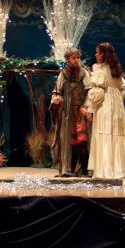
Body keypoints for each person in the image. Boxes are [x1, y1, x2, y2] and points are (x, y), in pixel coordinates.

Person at [87, 42, 125, 179]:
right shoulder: (116, 69)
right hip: (117, 105)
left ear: (102, 54)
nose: (95, 55)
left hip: (105, 104)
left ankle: (106, 171)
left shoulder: (99, 68)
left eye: (97, 52)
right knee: (117, 134)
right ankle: (120, 170)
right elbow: (122, 90)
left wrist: (91, 108)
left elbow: (97, 92)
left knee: (106, 133)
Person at [50, 47, 92, 177]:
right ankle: (70, 169)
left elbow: (90, 91)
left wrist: (86, 106)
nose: (77, 60)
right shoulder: (63, 75)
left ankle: (85, 170)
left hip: (81, 113)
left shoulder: (84, 73)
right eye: (74, 58)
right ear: (68, 59)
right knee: (71, 142)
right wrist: (57, 99)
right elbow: (57, 92)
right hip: (68, 113)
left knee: (83, 141)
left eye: (78, 58)